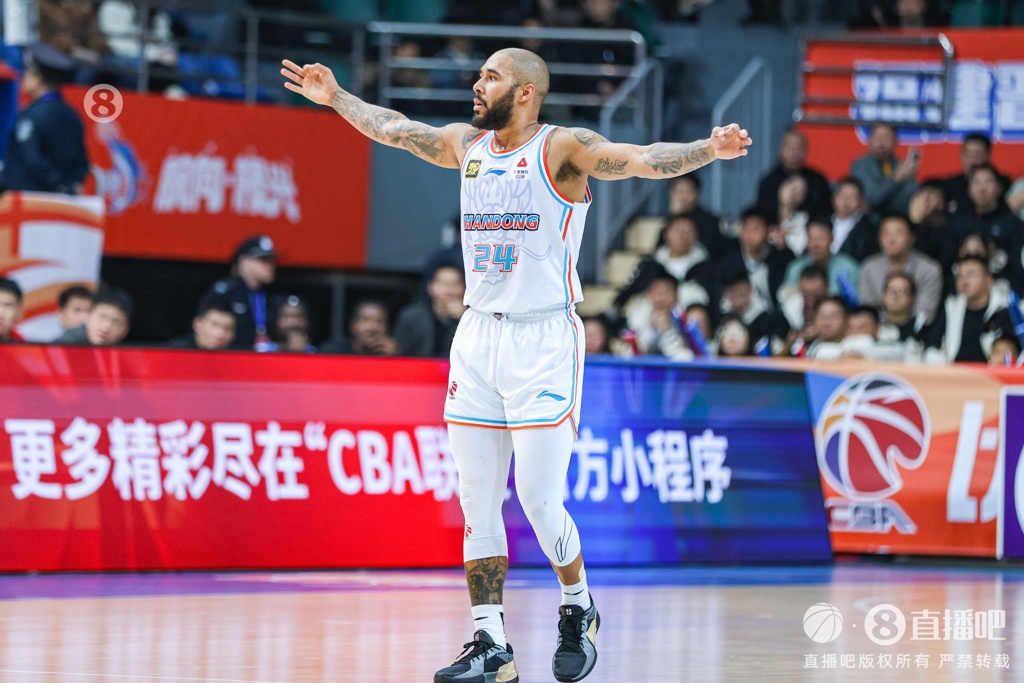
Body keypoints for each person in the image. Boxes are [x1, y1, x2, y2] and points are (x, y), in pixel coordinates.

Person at [281, 47, 751, 683]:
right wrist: (336, 97)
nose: (477, 84)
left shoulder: (562, 149)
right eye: (479, 75)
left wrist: (708, 149)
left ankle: (578, 604)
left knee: (537, 498)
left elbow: (641, 158)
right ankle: (491, 644)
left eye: (491, 76)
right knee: (477, 502)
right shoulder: (467, 146)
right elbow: (394, 128)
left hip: (545, 338)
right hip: (478, 335)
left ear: (526, 92)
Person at [3, 43, 89, 194]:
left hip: (28, 197)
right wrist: (68, 186)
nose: (23, 78)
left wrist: (58, 184)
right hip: (63, 200)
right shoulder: (72, 114)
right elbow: (82, 161)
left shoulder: (32, 116)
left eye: (28, 73)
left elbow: (32, 159)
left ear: (38, 79)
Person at [923, 255, 1015, 364]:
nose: (964, 281)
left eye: (971, 275)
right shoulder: (951, 307)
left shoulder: (1005, 309)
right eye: (959, 276)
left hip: (991, 371)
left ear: (989, 278)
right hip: (956, 371)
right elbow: (932, 344)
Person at [858, 214, 943, 323]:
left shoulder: (930, 269)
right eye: (886, 234)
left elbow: (925, 311)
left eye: (898, 233)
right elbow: (868, 309)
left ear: (911, 238)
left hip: (918, 329)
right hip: (878, 328)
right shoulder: (868, 268)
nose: (891, 239)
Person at [198, 235, 278, 351]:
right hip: (229, 356)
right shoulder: (225, 293)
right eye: (263, 260)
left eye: (271, 261)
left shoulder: (272, 296)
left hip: (263, 356)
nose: (270, 266)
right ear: (244, 262)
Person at [394, 263, 468, 358]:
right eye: (444, 284)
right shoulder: (411, 317)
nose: (449, 291)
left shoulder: (473, 318)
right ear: (430, 287)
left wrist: (466, 318)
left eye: (455, 284)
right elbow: (399, 353)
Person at [849, 122, 919, 216]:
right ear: (869, 141)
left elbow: (909, 200)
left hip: (899, 219)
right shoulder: (860, 166)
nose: (881, 143)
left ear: (896, 141)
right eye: (877, 137)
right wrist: (896, 179)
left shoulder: (903, 167)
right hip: (870, 221)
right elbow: (870, 199)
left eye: (887, 138)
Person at [943, 134, 1012, 216]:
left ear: (988, 156)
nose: (973, 160)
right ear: (961, 156)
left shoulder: (1001, 182)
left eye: (978, 154)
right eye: (968, 155)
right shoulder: (950, 185)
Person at [54, 285, 132, 346]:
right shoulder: (66, 343)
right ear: (89, 316)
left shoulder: (129, 356)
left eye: (116, 322)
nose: (106, 326)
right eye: (102, 317)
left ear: (125, 331)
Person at [319, 300, 400, 356]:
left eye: (380, 321)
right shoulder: (332, 353)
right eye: (365, 320)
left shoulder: (392, 353)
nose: (373, 327)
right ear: (353, 326)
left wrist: (392, 359)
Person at [167, 296, 237, 350]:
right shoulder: (173, 351)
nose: (220, 334)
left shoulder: (238, 357)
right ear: (197, 324)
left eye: (228, 328)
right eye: (215, 325)